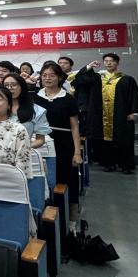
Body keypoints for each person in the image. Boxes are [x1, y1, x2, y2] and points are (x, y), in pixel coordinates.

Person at [74, 54, 138, 174]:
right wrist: (89, 66)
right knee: (105, 141)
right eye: (106, 61)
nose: (108, 63)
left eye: (112, 61)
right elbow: (79, 80)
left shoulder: (126, 79)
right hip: (101, 115)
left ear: (117, 63)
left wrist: (134, 113)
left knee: (124, 140)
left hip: (121, 115)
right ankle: (108, 164)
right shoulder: (97, 78)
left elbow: (133, 96)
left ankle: (125, 165)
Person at [37, 61, 83, 228]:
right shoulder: (35, 97)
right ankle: (48, 222)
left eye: (52, 75)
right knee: (46, 182)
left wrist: (77, 152)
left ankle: (72, 223)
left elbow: (74, 127)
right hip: (41, 143)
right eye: (44, 75)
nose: (47, 78)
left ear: (60, 78)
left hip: (64, 144)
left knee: (67, 181)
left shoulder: (68, 98)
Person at [2, 73, 50, 148]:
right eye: (6, 85)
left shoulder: (36, 110)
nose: (10, 88)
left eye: (14, 85)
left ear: (22, 87)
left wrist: (24, 148)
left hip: (22, 152)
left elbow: (40, 140)